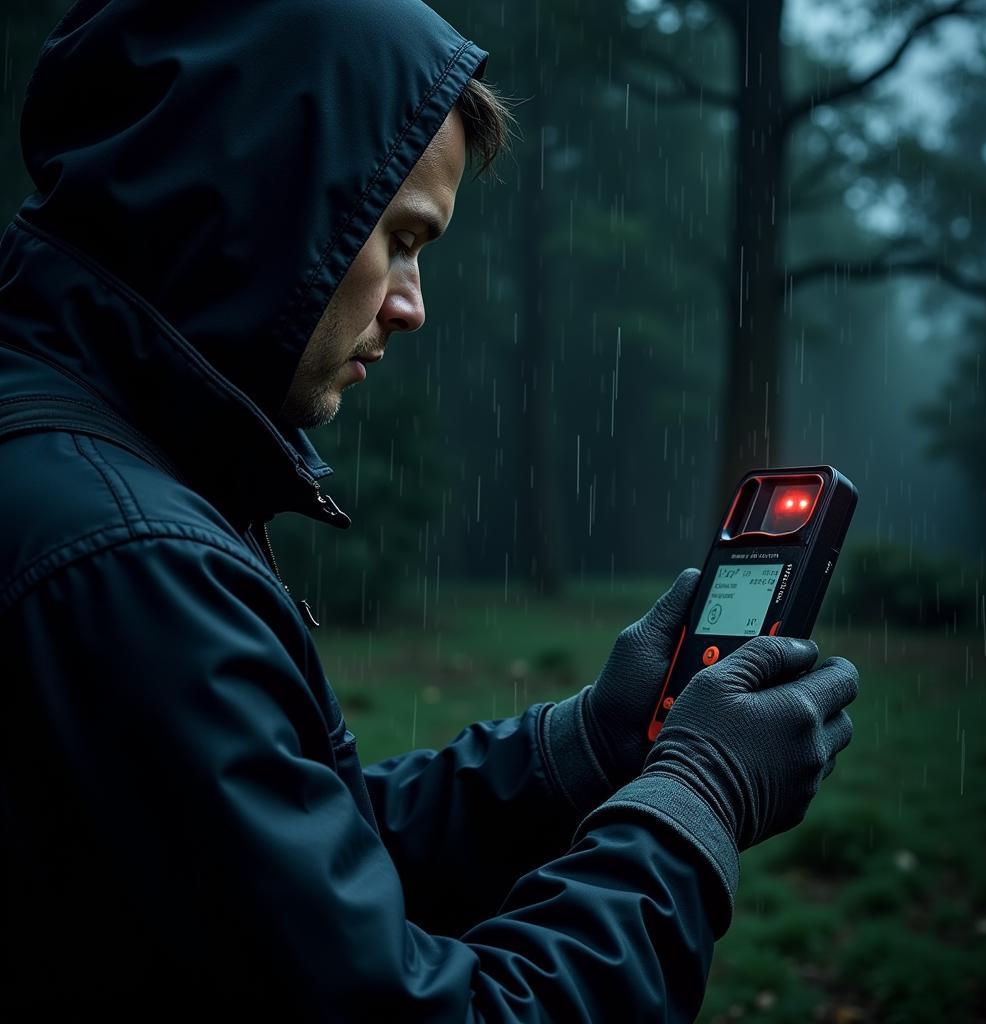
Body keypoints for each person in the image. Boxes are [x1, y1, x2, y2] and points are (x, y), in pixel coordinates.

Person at [0, 1, 859, 1019]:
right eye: (399, 239)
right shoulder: (127, 560)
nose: (411, 303)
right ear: (262, 199)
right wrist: (695, 801)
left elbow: (289, 872)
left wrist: (575, 749)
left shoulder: (75, 462)